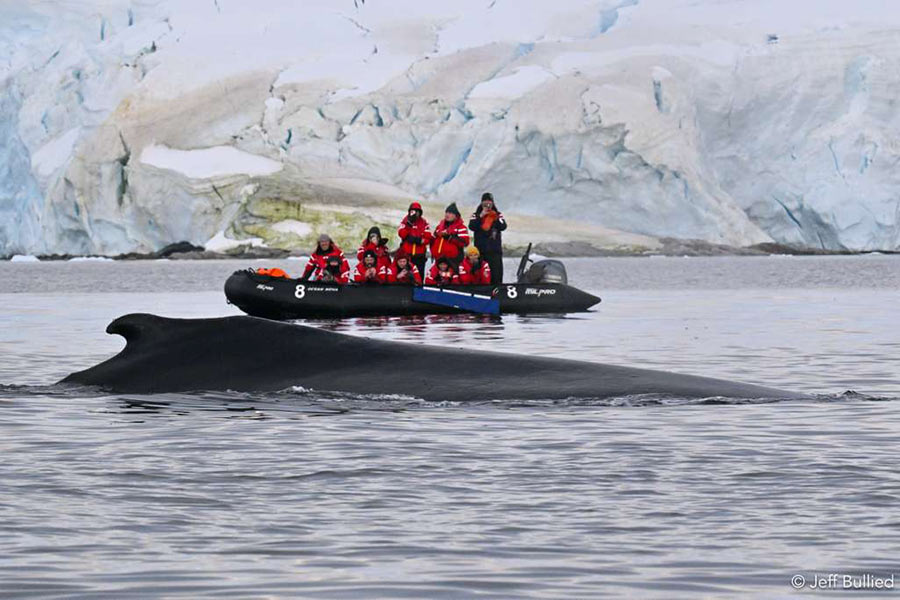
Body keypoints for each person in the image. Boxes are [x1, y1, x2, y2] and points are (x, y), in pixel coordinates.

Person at [468, 192, 506, 284]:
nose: (487, 204)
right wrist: (481, 216)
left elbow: (503, 226)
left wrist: (495, 218)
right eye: (485, 202)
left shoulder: (498, 215)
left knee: (496, 275)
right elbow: (472, 226)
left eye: (489, 202)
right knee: (481, 275)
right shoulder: (475, 215)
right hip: (481, 251)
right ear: (481, 203)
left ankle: (497, 290)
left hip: (495, 251)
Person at [398, 202, 432, 277]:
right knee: (405, 277)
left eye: (417, 211)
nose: (415, 213)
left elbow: (428, 238)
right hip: (406, 256)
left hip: (420, 256)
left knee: (419, 277)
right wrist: (409, 225)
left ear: (420, 212)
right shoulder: (405, 221)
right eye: (413, 211)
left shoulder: (424, 223)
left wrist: (418, 240)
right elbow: (401, 234)